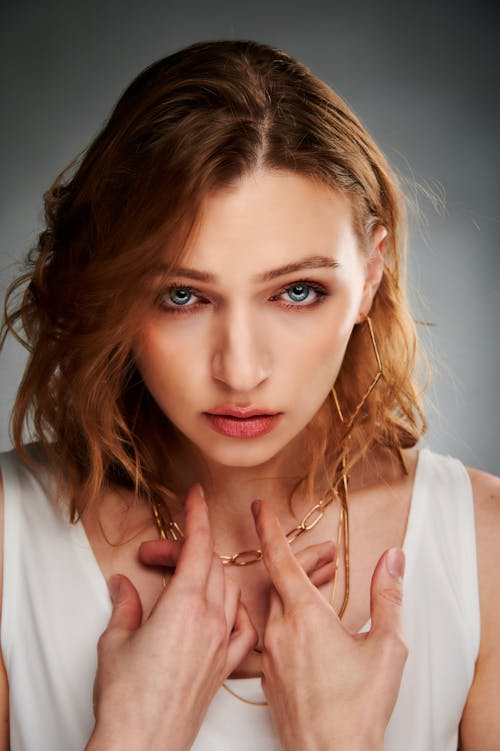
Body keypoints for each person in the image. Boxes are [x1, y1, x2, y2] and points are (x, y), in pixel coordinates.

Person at [0, 39, 498, 751]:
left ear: (371, 277)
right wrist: (135, 735)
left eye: (297, 291)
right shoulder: (7, 538)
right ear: (114, 291)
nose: (240, 370)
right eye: (182, 294)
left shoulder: (486, 549)